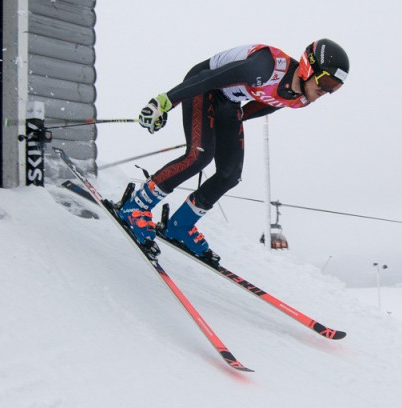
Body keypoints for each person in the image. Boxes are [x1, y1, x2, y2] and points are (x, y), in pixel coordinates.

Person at [117, 38, 350, 263]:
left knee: (230, 173)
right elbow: (208, 78)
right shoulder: (267, 67)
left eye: (335, 88)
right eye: (326, 82)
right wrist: (163, 103)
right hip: (203, 86)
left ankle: (180, 226)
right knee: (199, 155)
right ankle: (135, 206)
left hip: (229, 103)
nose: (326, 91)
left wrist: (232, 123)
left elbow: (268, 103)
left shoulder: (302, 99)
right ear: (309, 68)